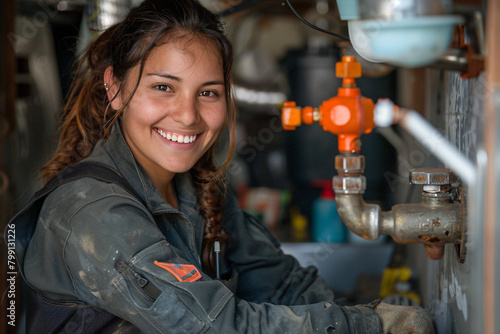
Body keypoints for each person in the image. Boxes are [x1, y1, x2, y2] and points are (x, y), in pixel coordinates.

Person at [10, 0, 435, 332]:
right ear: (115, 89)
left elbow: (285, 286)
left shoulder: (199, 192)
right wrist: (367, 325)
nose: (187, 115)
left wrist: (361, 316)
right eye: (163, 87)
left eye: (208, 93)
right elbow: (215, 327)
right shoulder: (92, 214)